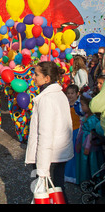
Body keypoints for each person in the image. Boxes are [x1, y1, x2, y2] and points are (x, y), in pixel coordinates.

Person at [25, 61, 73, 203]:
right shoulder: (59, 94)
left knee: (47, 194)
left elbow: (45, 135)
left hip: (49, 158)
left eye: (36, 74)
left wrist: (42, 170)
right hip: (59, 154)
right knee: (57, 192)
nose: (33, 77)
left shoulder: (46, 99)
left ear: (47, 78)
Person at [75, 94, 104, 184]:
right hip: (84, 141)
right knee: (84, 161)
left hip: (89, 144)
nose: (81, 107)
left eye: (83, 105)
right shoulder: (88, 117)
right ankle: (85, 180)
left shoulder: (92, 119)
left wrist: (87, 147)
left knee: (91, 162)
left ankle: (91, 181)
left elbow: (91, 134)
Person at [64, 84, 83, 183]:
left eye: (72, 93)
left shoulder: (79, 105)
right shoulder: (65, 104)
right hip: (68, 130)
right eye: (68, 93)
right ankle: (67, 174)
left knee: (75, 153)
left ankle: (75, 175)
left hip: (77, 131)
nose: (70, 95)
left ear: (77, 94)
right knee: (68, 152)